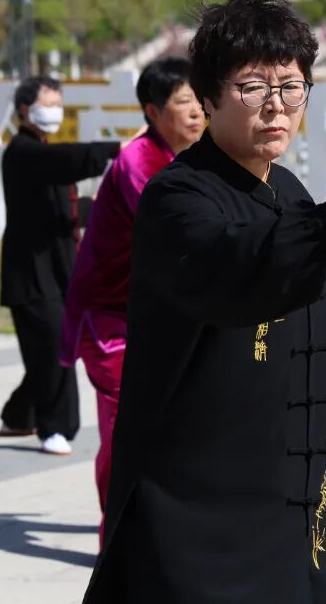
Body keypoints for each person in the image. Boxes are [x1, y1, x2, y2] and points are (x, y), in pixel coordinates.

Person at [82, 0, 326, 604]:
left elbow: (312, 332)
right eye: (252, 88)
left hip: (297, 493)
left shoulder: (289, 191)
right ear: (208, 97)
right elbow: (236, 268)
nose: (277, 107)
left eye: (291, 87)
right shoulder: (178, 197)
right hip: (203, 504)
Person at [60, 57, 204, 537]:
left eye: (199, 99)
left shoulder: (197, 158)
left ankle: (160, 525)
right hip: (110, 320)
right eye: (183, 101)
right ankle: (118, 535)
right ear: (152, 111)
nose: (196, 111)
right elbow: (181, 235)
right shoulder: (139, 161)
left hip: (157, 318)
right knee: (127, 427)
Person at [0, 76, 123, 456]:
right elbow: (63, 163)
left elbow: (64, 206)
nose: (54, 111)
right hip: (30, 274)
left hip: (59, 270)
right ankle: (56, 428)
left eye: (58, 104)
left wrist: (102, 207)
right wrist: (113, 150)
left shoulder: (43, 153)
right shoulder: (22, 153)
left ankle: (18, 416)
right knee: (55, 347)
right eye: (47, 104)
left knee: (46, 351)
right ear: (25, 109)